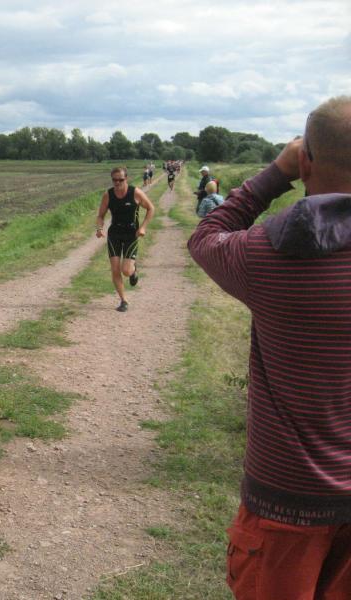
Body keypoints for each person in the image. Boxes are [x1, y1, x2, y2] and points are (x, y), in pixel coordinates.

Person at [188, 96, 351, 600]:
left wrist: (275, 175)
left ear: (306, 162)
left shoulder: (269, 253)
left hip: (286, 501)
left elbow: (207, 235)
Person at [95, 166, 155, 312]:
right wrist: (99, 228)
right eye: (114, 180)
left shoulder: (135, 192)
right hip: (114, 233)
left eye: (120, 180)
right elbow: (101, 215)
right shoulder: (108, 195)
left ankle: (133, 271)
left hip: (131, 234)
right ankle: (124, 300)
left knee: (126, 271)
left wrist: (143, 227)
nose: (117, 183)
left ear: (126, 178)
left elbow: (151, 208)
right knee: (115, 269)